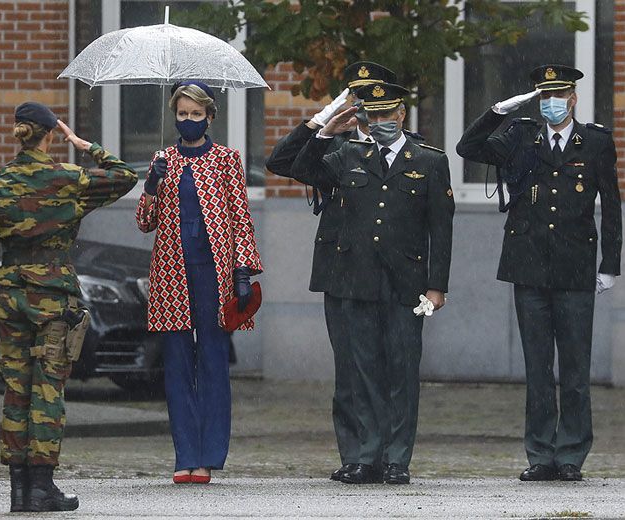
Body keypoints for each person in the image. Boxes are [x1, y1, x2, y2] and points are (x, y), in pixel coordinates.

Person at [0, 102, 138, 512]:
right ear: (49, 134)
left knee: (15, 391)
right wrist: (84, 145)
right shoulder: (67, 178)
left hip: (9, 295)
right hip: (52, 296)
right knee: (48, 390)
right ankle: (42, 487)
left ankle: (19, 490)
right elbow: (125, 176)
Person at [456, 64, 622, 482]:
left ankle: (571, 455)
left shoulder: (596, 142)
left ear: (573, 98)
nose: (551, 102)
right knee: (537, 369)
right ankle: (541, 454)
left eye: (558, 94)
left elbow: (613, 206)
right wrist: (497, 112)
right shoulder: (521, 136)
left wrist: (611, 265)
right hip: (528, 266)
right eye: (543, 95)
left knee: (575, 369)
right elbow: (467, 147)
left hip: (575, 267)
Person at [267, 62, 426, 483]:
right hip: (342, 272)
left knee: (393, 367)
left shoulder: (416, 153)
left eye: (376, 101)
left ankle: (391, 456)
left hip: (395, 275)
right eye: (359, 99)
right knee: (351, 370)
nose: (368, 111)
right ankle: (357, 454)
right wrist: (321, 121)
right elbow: (281, 162)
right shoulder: (332, 150)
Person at [290, 83, 455, 484]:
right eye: (372, 116)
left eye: (387, 115)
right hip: (358, 279)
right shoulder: (349, 154)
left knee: (401, 370)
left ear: (401, 115)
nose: (380, 123)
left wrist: (437, 285)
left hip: (407, 281)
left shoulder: (430, 161)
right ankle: (366, 456)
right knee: (362, 371)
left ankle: (397, 458)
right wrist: (325, 130)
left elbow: (441, 228)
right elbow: (297, 167)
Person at [135, 81, 263, 484]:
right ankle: (184, 455)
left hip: (215, 270)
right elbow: (144, 222)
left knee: (212, 358)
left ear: (210, 116)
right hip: (171, 272)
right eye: (182, 114)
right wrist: (152, 185)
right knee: (176, 362)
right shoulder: (163, 158)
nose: (188, 121)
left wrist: (243, 270)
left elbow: (240, 219)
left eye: (195, 114)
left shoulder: (227, 159)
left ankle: (208, 456)